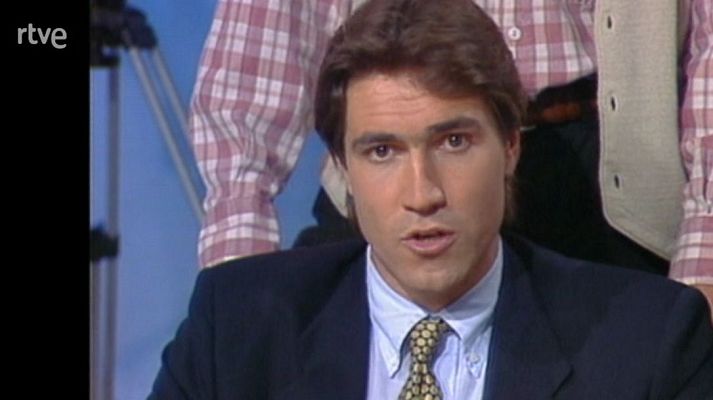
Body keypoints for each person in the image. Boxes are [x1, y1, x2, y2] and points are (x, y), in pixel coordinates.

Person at [150, 1, 713, 398]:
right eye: (382, 152)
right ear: (344, 161)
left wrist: (705, 250)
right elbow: (256, 55)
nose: (423, 195)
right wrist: (243, 320)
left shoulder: (657, 336)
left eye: (452, 144)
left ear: (510, 147)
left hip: (605, 176)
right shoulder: (233, 325)